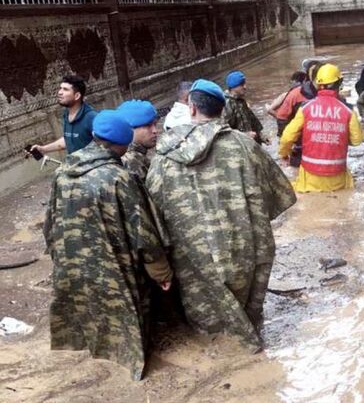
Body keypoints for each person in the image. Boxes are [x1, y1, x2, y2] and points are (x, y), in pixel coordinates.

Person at [145, 79, 296, 346]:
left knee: (207, 325)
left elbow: (153, 214)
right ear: (222, 110)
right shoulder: (245, 146)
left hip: (193, 256)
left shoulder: (164, 156)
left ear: (191, 108)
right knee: (249, 315)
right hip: (246, 248)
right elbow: (280, 198)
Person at [43, 110, 172, 381]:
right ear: (121, 146)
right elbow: (144, 235)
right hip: (113, 265)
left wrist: (59, 258)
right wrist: (161, 273)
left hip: (72, 265)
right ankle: (128, 361)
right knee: (129, 312)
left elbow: (50, 224)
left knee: (87, 310)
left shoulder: (63, 172)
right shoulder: (119, 178)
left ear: (94, 137)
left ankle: (95, 353)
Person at [279, 64, 364, 192]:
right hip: (338, 178)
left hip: (310, 177)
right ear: (339, 83)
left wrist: (284, 154)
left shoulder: (305, 108)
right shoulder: (348, 111)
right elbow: (357, 140)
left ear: (318, 84)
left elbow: (287, 137)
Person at [30, 75, 97, 157]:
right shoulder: (66, 114)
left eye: (65, 89)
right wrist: (43, 149)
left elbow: (104, 145)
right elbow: (68, 140)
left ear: (77, 96)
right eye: (60, 88)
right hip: (75, 165)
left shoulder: (91, 117)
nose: (59, 92)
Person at [117, 99, 159, 182]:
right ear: (129, 129)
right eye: (147, 126)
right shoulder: (131, 162)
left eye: (155, 124)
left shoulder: (137, 156)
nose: (155, 130)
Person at [223, 70, 266, 144]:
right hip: (240, 146)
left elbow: (252, 119)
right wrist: (245, 135)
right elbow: (224, 132)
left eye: (244, 83)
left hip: (250, 143)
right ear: (233, 87)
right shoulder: (227, 105)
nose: (245, 87)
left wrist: (261, 135)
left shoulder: (241, 101)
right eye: (242, 84)